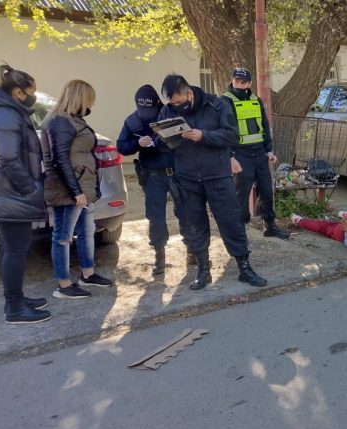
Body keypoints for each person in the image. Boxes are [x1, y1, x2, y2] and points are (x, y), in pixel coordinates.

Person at [155, 74, 267, 290]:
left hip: (217, 174)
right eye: (172, 104)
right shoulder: (168, 111)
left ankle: (244, 267)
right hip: (187, 177)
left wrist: (203, 136)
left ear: (188, 93)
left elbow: (232, 135)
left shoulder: (216, 105)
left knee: (230, 220)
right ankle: (203, 270)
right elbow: (164, 145)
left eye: (179, 102)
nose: (176, 107)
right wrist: (166, 138)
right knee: (194, 224)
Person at [41, 80, 114, 299]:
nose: (91, 103)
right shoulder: (60, 121)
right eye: (89, 99)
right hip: (69, 191)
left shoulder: (73, 120)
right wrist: (76, 192)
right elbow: (60, 158)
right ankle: (63, 286)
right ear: (80, 97)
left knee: (86, 232)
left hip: (82, 187)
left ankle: (88, 274)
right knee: (63, 237)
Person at [0, 64, 51, 323]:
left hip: (9, 192)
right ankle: (15, 308)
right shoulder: (6, 114)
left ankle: (16, 298)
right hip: (11, 193)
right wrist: (29, 188)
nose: (33, 97)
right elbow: (6, 157)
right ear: (18, 92)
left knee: (13, 247)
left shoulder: (9, 111)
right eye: (31, 92)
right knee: (15, 248)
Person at [117, 85, 190, 275]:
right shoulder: (132, 121)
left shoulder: (169, 115)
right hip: (152, 175)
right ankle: (159, 256)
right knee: (155, 217)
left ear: (158, 103)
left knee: (186, 212)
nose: (147, 115)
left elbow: (184, 139)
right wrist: (136, 143)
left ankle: (192, 250)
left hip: (175, 172)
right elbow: (122, 146)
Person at [221, 68, 290, 240]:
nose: (240, 84)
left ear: (250, 83)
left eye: (243, 82)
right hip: (240, 153)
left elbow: (264, 127)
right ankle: (240, 229)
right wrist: (230, 156)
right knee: (241, 194)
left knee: (266, 190)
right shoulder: (224, 101)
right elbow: (223, 130)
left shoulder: (255, 101)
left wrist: (269, 151)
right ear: (232, 81)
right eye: (237, 81)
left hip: (259, 152)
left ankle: (270, 225)